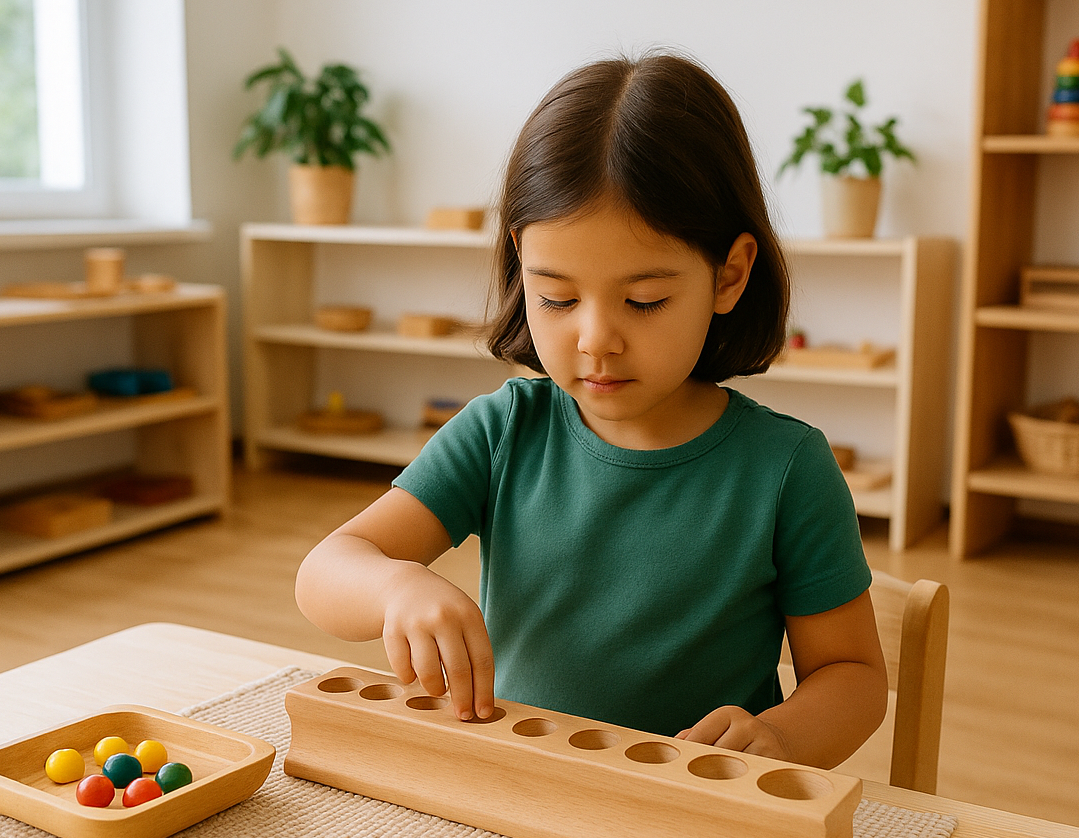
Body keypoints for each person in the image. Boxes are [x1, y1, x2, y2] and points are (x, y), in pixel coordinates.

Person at [295, 52, 887, 768]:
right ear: (521, 263)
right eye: (558, 298)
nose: (596, 339)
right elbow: (325, 572)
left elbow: (851, 678)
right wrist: (395, 586)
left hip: (689, 814)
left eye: (644, 301)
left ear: (728, 275)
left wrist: (784, 737)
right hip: (522, 791)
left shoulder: (786, 468)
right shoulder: (505, 429)